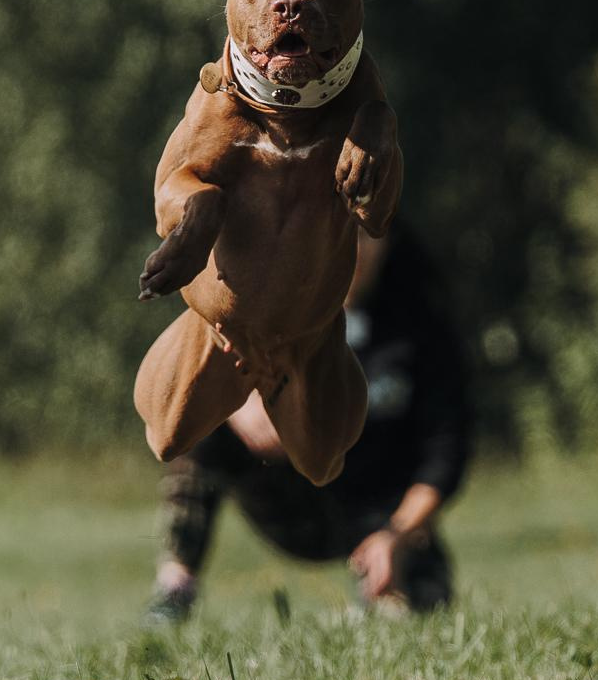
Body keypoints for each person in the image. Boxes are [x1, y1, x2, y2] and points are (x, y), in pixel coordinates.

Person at [145, 223, 470, 621]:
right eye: (340, 231)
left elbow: (445, 456)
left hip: (379, 509)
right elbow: (197, 369)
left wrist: (397, 535)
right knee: (201, 422)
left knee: (427, 609)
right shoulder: (272, 307)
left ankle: (380, 593)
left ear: (388, 240)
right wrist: (237, 403)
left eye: (366, 235)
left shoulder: (422, 328)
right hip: (288, 495)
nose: (355, 248)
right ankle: (174, 587)